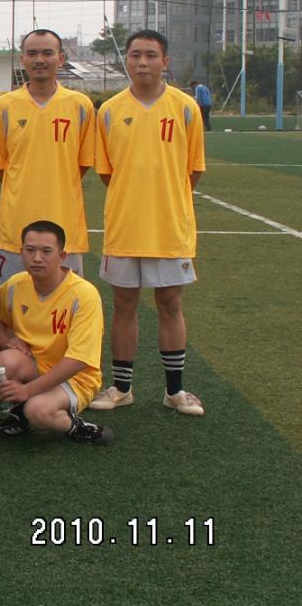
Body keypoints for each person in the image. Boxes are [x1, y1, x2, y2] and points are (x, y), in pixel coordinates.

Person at [90, 29, 206, 416]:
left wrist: (166, 199)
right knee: (123, 305)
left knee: (170, 304)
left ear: (165, 62)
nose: (142, 62)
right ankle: (122, 388)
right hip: (124, 227)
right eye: (136, 55)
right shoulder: (109, 111)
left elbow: (193, 170)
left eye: (151, 55)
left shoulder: (185, 108)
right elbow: (107, 172)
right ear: (127, 60)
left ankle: (175, 391)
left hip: (169, 227)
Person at [0, 220, 113, 445]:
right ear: (21, 252)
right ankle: (18, 416)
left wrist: (27, 390)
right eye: (30, 250)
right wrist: (7, 340)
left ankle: (76, 427)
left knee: (38, 411)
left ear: (62, 256)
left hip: (75, 378)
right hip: (34, 365)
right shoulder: (15, 284)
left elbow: (78, 360)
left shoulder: (84, 295)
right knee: (4, 360)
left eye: (46, 251)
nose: (37, 258)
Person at [0, 29, 95, 287]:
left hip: (66, 227)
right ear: (22, 59)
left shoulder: (80, 105)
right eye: (32, 53)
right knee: (11, 301)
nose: (39, 60)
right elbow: (0, 165)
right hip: (14, 228)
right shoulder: (4, 106)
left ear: (61, 58)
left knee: (65, 300)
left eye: (47, 53)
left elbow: (82, 164)